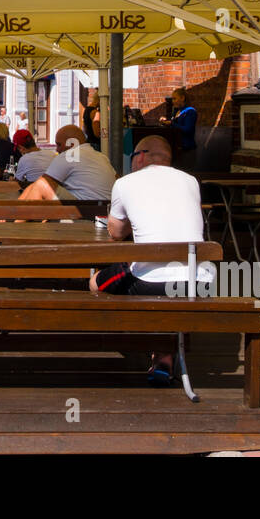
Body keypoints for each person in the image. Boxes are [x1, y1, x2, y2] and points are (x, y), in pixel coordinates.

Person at [89, 135, 213, 384]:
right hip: (199, 282)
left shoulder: (125, 183)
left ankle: (129, 339)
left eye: (133, 156)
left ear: (141, 157)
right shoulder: (191, 182)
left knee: (95, 283)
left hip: (151, 281)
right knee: (169, 287)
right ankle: (163, 355)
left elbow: (115, 233)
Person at [18, 124, 116, 201]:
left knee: (43, 185)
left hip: (86, 212)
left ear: (72, 144)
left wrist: (16, 207)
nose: (57, 149)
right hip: (106, 212)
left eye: (59, 145)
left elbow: (41, 184)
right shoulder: (102, 157)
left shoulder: (69, 155)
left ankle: (16, 221)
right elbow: (117, 179)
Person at [160, 87, 198, 170]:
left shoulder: (190, 111)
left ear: (182, 98)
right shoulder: (177, 112)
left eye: (175, 98)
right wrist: (166, 122)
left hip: (187, 149)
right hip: (176, 149)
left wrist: (172, 123)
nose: (173, 101)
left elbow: (187, 129)